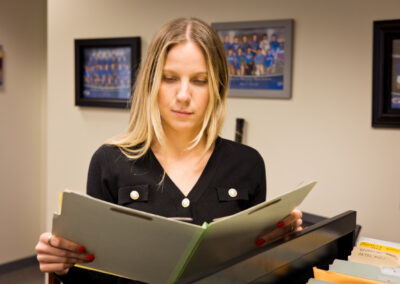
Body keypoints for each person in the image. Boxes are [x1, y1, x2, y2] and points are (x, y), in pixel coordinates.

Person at [35, 18, 303, 284]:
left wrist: (282, 248)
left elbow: (254, 271)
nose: (183, 95)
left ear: (217, 87)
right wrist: (63, 264)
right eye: (169, 78)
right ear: (151, 83)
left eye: (199, 80)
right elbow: (94, 276)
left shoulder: (248, 163)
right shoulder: (109, 162)